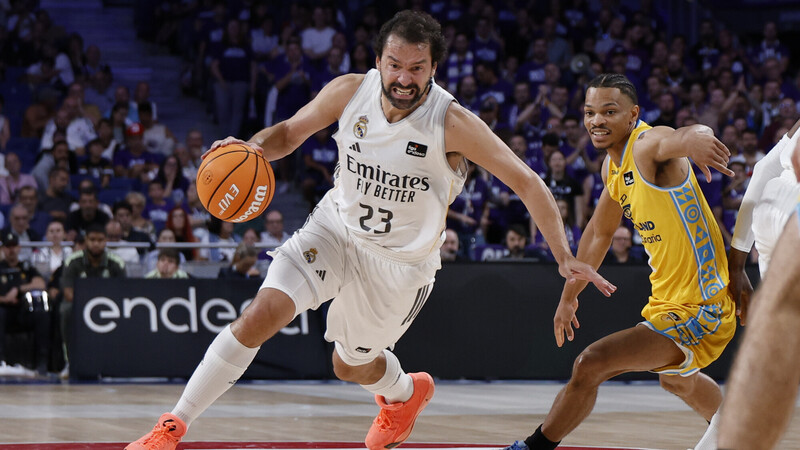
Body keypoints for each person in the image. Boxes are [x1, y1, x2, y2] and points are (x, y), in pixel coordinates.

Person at [126, 11, 613, 450]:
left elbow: (527, 182)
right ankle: (172, 426)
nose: (403, 77)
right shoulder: (349, 91)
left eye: (416, 68)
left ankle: (404, 393)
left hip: (400, 266)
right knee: (260, 315)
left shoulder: (453, 123)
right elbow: (290, 133)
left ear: (433, 69)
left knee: (348, 365)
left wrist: (561, 253)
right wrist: (251, 148)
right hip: (335, 228)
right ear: (378, 60)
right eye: (395, 64)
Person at [504, 73, 735, 450]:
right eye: (590, 112)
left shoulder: (646, 144)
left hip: (701, 305)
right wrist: (568, 297)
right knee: (676, 379)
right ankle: (736, 427)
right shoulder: (613, 168)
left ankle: (534, 448)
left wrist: (698, 137)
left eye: (609, 112)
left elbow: (678, 136)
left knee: (590, 363)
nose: (597, 120)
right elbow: (598, 234)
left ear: (633, 115)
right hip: (669, 301)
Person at [715, 138, 800, 450]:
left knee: (774, 353)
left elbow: (765, 168)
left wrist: (737, 259)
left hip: (774, 211)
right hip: (788, 209)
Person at [60, 224, 126, 372]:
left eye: (100, 240)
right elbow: (68, 292)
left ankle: (116, 362)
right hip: (78, 305)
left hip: (110, 307)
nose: (96, 243)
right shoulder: (73, 261)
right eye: (92, 239)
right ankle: (69, 362)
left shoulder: (116, 262)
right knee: (66, 311)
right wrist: (90, 307)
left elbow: (123, 292)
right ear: (86, 240)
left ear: (106, 241)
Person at [0, 231, 49, 375]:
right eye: (7, 246)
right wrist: (5, 299)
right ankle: (1, 361)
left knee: (42, 314)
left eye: (14, 246)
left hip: (22, 311)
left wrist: (18, 289)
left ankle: (42, 362)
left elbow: (40, 283)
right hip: (3, 311)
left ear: (19, 248)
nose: (11, 250)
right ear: (2, 249)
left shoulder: (26, 267)